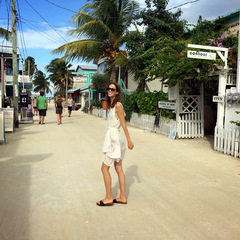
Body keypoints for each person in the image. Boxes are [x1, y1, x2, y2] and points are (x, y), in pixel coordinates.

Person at [96, 83, 134, 207]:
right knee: (118, 168)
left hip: (114, 140)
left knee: (104, 168)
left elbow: (123, 123)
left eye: (112, 89)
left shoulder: (118, 105)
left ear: (117, 92)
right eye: (108, 88)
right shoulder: (111, 105)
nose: (109, 90)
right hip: (114, 139)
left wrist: (129, 140)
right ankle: (122, 197)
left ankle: (108, 197)